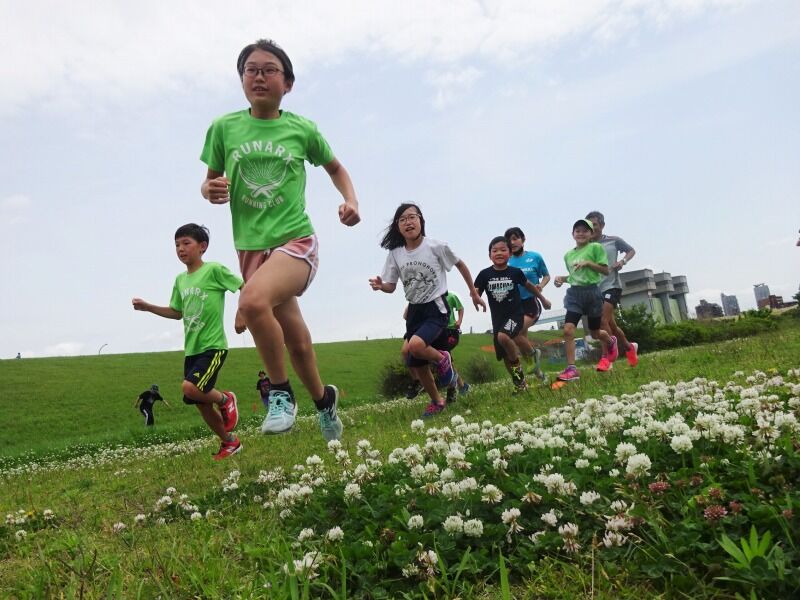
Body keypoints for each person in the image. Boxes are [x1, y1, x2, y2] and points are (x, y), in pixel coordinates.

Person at [200, 39, 359, 442]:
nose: (258, 76)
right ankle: (326, 403)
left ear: (287, 83)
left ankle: (280, 395)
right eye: (250, 69)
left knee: (251, 302)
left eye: (269, 69)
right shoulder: (224, 128)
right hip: (251, 250)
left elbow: (336, 167)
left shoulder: (301, 128)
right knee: (299, 344)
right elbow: (210, 181)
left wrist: (350, 200)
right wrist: (210, 190)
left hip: (295, 241)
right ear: (241, 79)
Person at [132, 224, 243, 461]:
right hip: (192, 350)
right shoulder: (180, 280)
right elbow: (176, 312)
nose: (180, 249)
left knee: (189, 388)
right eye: (176, 245)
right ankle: (229, 442)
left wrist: (241, 313)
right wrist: (149, 307)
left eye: (186, 243)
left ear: (202, 247)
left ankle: (226, 399)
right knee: (200, 403)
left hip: (213, 346)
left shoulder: (213, 270)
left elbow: (244, 286)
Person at [370, 203, 486, 417]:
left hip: (436, 306)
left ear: (421, 221)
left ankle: (443, 360)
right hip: (415, 310)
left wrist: (473, 292)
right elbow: (391, 286)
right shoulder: (395, 253)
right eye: (402, 219)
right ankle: (437, 401)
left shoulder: (436, 246)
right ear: (397, 227)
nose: (408, 222)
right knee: (415, 360)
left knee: (415, 346)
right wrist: (380, 286)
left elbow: (460, 265)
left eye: (412, 217)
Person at [474, 236, 552, 393]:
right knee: (504, 355)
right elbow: (476, 291)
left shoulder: (514, 272)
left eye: (503, 250)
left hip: (515, 314)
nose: (499, 253)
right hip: (497, 319)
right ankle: (520, 384)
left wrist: (542, 299)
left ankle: (523, 359)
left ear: (509, 254)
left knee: (503, 337)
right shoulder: (484, 274)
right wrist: (476, 299)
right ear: (489, 255)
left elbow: (529, 286)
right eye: (495, 251)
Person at [552, 219, 616, 382]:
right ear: (572, 234)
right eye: (577, 231)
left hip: (592, 293)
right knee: (568, 329)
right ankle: (572, 368)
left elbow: (605, 270)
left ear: (591, 234)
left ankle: (610, 341)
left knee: (595, 333)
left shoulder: (595, 247)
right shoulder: (568, 255)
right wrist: (561, 279)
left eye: (585, 231)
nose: (581, 233)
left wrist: (588, 263)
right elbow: (575, 277)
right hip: (574, 295)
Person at [585, 211, 638, 368]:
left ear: (602, 225)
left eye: (594, 224)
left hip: (612, 285)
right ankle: (629, 347)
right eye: (589, 225)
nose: (592, 228)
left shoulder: (613, 241)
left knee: (602, 321)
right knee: (612, 326)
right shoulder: (585, 246)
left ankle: (606, 358)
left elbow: (631, 250)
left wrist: (623, 261)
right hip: (595, 289)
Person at [403, 291, 469, 404]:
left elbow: (460, 308)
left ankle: (458, 388)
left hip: (448, 329)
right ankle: (418, 381)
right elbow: (405, 316)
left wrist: (459, 321)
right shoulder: (417, 295)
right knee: (406, 351)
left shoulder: (450, 296)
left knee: (445, 359)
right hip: (423, 330)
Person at [505, 227, 550, 380]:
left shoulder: (535, 257)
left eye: (516, 238)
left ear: (523, 239)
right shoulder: (506, 261)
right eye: (509, 240)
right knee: (520, 339)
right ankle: (540, 375)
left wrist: (541, 286)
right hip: (513, 305)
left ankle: (534, 353)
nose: (513, 242)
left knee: (516, 332)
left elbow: (546, 276)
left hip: (531, 303)